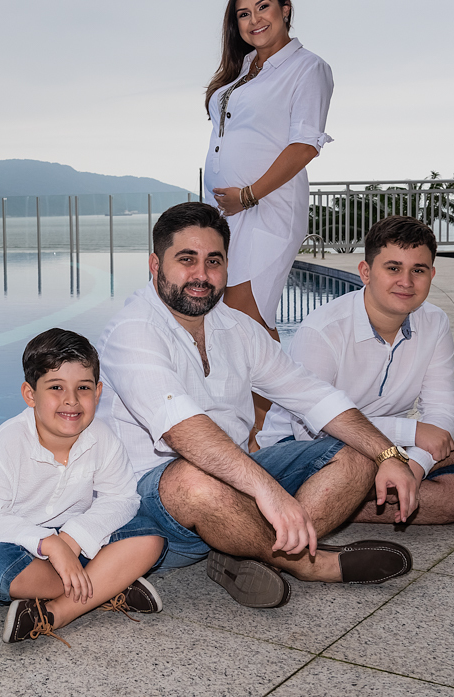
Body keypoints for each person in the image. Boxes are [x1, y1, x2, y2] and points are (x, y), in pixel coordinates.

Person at [97, 202, 418, 610]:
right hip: (154, 503)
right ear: (154, 265)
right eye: (186, 260)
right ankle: (306, 563)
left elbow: (312, 394)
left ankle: (240, 548)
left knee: (357, 458)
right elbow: (181, 428)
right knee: (193, 480)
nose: (201, 275)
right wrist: (268, 492)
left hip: (235, 482)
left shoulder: (237, 327)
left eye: (214, 261)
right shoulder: (133, 331)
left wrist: (387, 452)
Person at [256, 216, 454, 524]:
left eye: (418, 270)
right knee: (351, 470)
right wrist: (412, 433)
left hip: (390, 447)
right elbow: (310, 432)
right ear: (366, 272)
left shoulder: (434, 323)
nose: (406, 282)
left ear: (432, 274)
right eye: (393, 268)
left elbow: (443, 410)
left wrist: (415, 467)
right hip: (304, 448)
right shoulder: (324, 330)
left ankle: (323, 505)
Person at [0, 328, 167, 647]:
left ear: (99, 391)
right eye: (56, 387)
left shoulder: (102, 439)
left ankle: (56, 613)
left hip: (74, 543)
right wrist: (49, 544)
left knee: (149, 536)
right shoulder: (1, 447)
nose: (71, 400)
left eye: (83, 387)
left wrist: (72, 538)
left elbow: (121, 498)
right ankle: (107, 584)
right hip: (13, 547)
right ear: (30, 394)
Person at [204, 0, 334, 337]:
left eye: (263, 7)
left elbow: (305, 145)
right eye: (243, 14)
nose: (254, 19)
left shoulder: (308, 68)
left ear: (285, 10)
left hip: (266, 207)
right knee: (225, 322)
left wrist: (247, 196)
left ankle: (266, 395)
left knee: (249, 321)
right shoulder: (243, 69)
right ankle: (240, 396)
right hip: (225, 210)